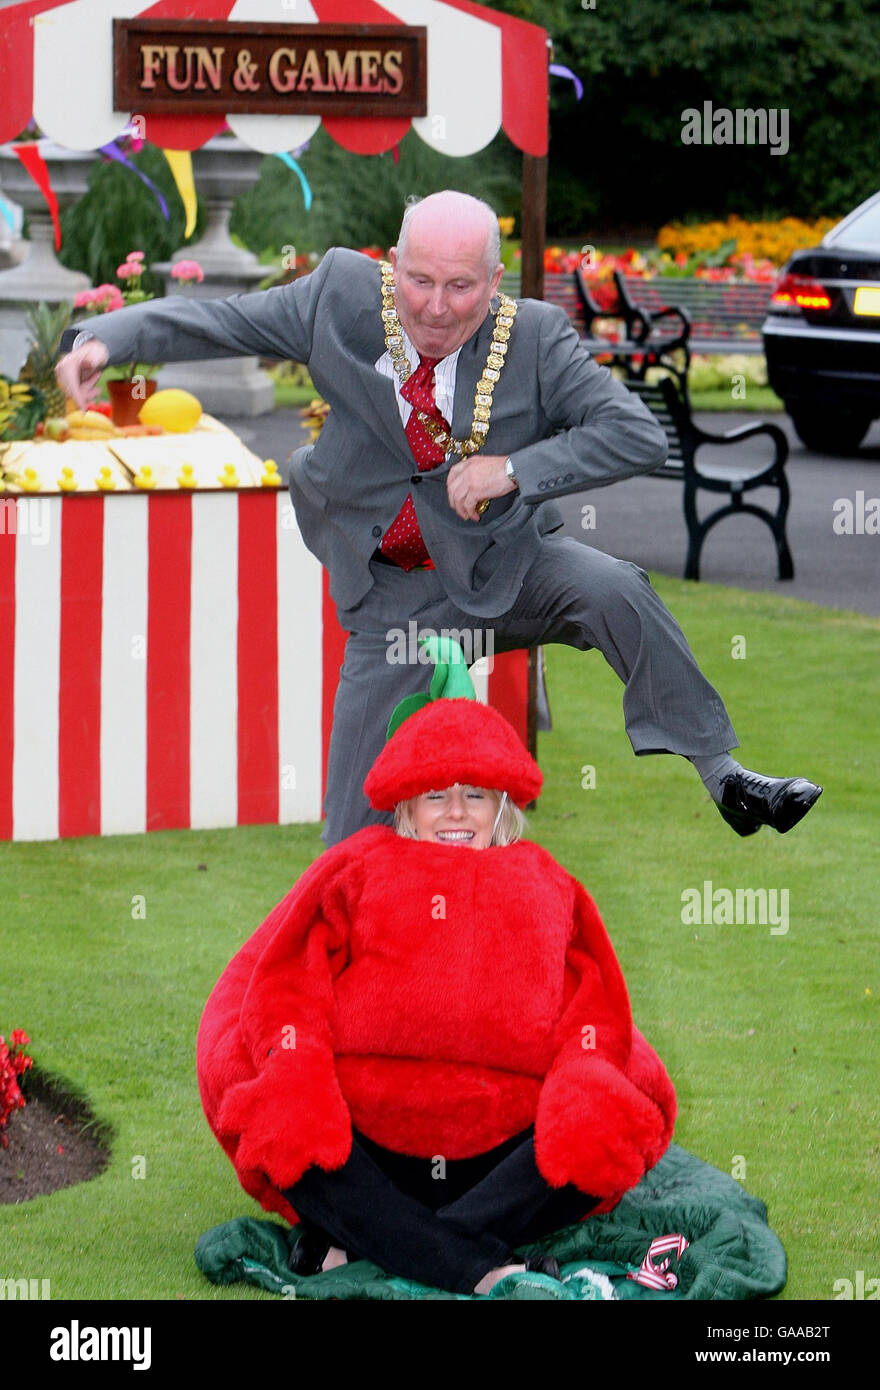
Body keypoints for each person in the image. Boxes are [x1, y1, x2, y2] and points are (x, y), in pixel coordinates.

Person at [56, 190, 821, 846]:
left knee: (614, 588)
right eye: (418, 280)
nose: (434, 305)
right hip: (392, 598)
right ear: (392, 263)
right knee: (350, 833)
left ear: (494, 282)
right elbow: (219, 322)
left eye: (460, 286)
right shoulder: (336, 298)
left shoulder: (536, 338)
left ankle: (724, 776)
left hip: (505, 568)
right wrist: (104, 340)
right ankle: (336, 980)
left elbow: (634, 434)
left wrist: (513, 470)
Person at [195, 658, 678, 1298]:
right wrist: (295, 1075)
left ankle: (377, 1243)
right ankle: (475, 1268)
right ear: (407, 803)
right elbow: (286, 981)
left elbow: (597, 1009)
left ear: (500, 803)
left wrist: (587, 1086)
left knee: (605, 1120)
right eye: (436, 794)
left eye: (474, 793)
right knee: (286, 1127)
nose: (456, 811)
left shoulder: (547, 882)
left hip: (494, 1168)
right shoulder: (355, 868)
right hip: (368, 1153)